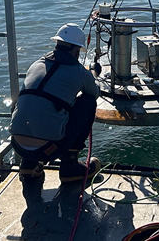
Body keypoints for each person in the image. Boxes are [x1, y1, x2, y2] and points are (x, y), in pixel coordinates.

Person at [9, 23, 102, 186]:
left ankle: (28, 165)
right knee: (87, 103)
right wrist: (92, 75)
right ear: (76, 50)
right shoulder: (80, 72)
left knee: (28, 98)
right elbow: (94, 93)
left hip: (17, 145)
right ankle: (70, 167)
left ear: (57, 44)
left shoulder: (36, 65)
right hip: (49, 149)